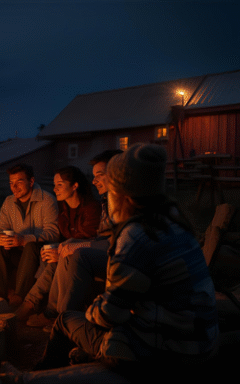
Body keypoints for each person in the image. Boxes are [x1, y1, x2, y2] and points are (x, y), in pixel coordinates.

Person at [36, 144, 219, 376]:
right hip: (202, 343)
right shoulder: (176, 223)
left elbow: (111, 314)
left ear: (120, 192)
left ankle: (42, 376)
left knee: (65, 320)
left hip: (167, 355)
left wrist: (92, 311)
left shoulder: (136, 236)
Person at [20, 150, 122, 325]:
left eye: (99, 175)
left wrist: (74, 246)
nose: (94, 180)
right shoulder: (103, 202)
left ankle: (56, 315)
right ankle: (46, 308)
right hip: (101, 249)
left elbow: (110, 241)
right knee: (55, 249)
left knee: (70, 253)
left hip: (116, 256)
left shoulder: (101, 206)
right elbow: (101, 237)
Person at [16, 166, 100, 328]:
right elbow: (64, 237)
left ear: (75, 186)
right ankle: (38, 305)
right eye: (54, 185)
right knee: (47, 252)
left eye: (60, 185)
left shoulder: (91, 208)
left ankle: (40, 307)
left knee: (58, 258)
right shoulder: (63, 209)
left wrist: (61, 250)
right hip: (71, 251)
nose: (55, 189)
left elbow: (89, 240)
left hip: (87, 254)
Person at [0, 163, 59, 306]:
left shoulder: (47, 200)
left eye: (19, 182)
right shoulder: (9, 202)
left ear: (31, 181)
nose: (14, 187)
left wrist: (25, 239)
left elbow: (53, 233)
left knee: (31, 246)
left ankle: (19, 297)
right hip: (16, 252)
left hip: (37, 254)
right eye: (11, 183)